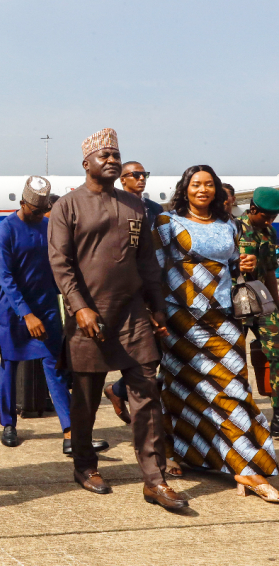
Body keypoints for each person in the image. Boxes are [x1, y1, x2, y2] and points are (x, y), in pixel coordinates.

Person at [48, 128, 186, 509]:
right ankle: (84, 464)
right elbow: (60, 263)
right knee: (86, 401)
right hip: (89, 320)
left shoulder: (134, 205)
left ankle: (154, 480)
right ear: (86, 163)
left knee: (147, 397)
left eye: (115, 154)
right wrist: (80, 306)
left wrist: (157, 304)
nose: (111, 160)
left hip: (133, 317)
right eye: (103, 155)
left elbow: (146, 261)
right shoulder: (67, 206)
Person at [156, 166, 279, 503]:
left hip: (223, 316)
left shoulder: (229, 225)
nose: (203, 190)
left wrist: (243, 265)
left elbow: (229, 265)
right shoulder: (167, 225)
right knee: (180, 390)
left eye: (209, 184)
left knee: (233, 391)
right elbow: (153, 271)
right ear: (186, 188)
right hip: (181, 318)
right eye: (196, 184)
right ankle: (177, 453)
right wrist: (155, 313)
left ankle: (248, 469)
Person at [0, 176, 107, 455]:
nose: (38, 215)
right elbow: (5, 278)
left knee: (54, 367)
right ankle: (8, 424)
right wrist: (26, 315)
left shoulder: (48, 226)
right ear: (22, 203)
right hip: (12, 311)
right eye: (34, 210)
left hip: (45, 308)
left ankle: (71, 432)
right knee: (10, 366)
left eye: (43, 210)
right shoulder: (5, 230)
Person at [104, 161, 163, 428]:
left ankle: (118, 390)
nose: (141, 179)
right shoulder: (116, 208)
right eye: (135, 175)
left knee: (159, 351)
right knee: (141, 351)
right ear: (122, 180)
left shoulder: (155, 210)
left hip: (156, 285)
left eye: (144, 174)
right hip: (129, 289)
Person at [238, 187, 279, 436]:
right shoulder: (233, 228)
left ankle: (278, 420)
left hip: (262, 303)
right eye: (266, 215)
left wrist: (277, 304)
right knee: (232, 361)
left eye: (273, 216)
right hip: (236, 304)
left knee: (277, 354)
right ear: (253, 208)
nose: (270, 220)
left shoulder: (269, 233)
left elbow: (271, 274)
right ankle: (239, 416)